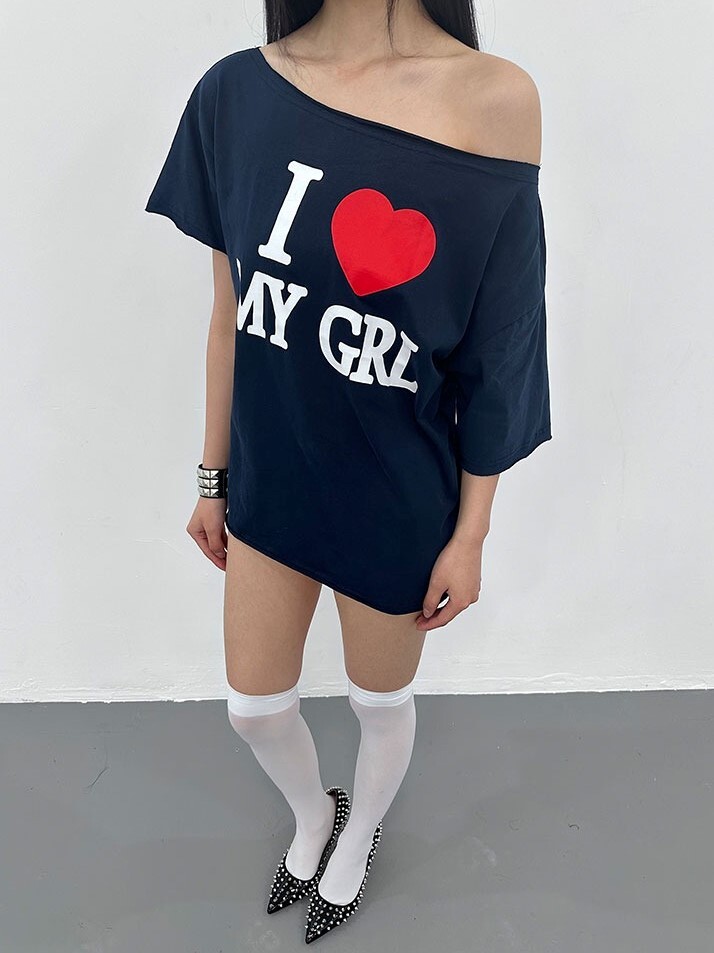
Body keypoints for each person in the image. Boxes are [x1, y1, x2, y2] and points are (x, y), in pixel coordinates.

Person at [145, 0, 552, 941]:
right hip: (274, 478)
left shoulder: (496, 99)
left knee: (378, 701)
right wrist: (212, 479)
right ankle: (313, 814)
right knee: (254, 709)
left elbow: (502, 350)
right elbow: (230, 315)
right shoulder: (235, 93)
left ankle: (358, 832)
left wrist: (471, 534)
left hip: (397, 496)